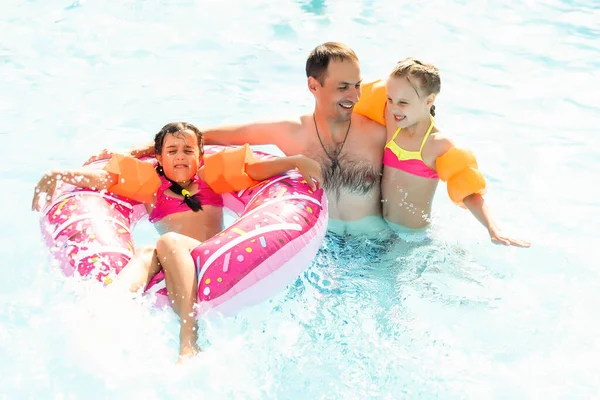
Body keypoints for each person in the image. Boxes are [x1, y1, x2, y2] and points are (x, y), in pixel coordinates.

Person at [32, 121, 322, 360]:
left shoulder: (212, 177)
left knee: (168, 241)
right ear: (159, 158)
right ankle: (104, 314)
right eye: (172, 151)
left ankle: (189, 339)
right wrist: (57, 173)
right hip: (169, 259)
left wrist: (296, 160)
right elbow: (102, 182)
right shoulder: (150, 186)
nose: (180, 156)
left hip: (206, 255)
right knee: (146, 252)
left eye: (187, 150)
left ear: (200, 156)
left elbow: (256, 172)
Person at [87, 42, 389, 237]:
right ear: (314, 86)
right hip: (317, 248)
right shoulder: (291, 131)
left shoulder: (378, 134)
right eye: (343, 87)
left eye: (358, 86)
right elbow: (209, 137)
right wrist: (140, 149)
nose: (354, 96)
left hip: (377, 250)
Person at [358, 57, 530, 247]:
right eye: (390, 99)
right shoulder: (392, 121)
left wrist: (493, 229)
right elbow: (354, 93)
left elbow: (468, 191)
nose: (393, 108)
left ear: (429, 100)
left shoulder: (438, 145)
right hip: (380, 227)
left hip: (411, 238)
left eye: (403, 103)